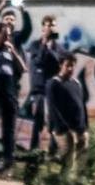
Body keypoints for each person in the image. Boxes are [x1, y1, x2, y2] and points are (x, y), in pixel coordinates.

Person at [0, 9, 27, 174]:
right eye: (6, 34)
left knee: (9, 128)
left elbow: (23, 68)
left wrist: (13, 51)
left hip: (10, 94)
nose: (9, 37)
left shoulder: (10, 52)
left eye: (10, 35)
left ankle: (8, 158)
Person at [26, 15, 67, 154]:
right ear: (43, 27)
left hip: (54, 90)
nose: (51, 28)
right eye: (48, 25)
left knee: (53, 122)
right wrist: (44, 45)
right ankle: (34, 150)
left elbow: (59, 63)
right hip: (39, 90)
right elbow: (38, 61)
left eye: (53, 25)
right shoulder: (35, 45)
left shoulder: (59, 48)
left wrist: (49, 49)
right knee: (38, 121)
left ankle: (52, 150)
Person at [45, 53, 89, 166]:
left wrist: (84, 127)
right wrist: (65, 129)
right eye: (67, 65)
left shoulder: (76, 83)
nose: (70, 69)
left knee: (81, 154)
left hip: (78, 127)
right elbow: (53, 109)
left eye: (73, 66)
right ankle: (62, 180)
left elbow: (81, 106)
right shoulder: (54, 83)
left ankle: (73, 179)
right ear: (61, 65)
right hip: (62, 128)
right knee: (68, 152)